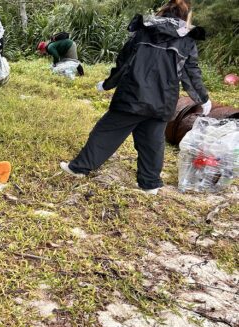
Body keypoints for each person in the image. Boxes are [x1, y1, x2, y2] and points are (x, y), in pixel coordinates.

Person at [59, 0, 210, 195]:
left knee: (106, 132)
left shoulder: (144, 31)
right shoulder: (187, 39)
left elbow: (123, 63)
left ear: (163, 12)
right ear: (184, 17)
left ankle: (79, 168)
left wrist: (107, 84)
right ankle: (150, 184)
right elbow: (191, 73)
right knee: (152, 143)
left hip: (132, 96)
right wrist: (203, 99)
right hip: (163, 101)